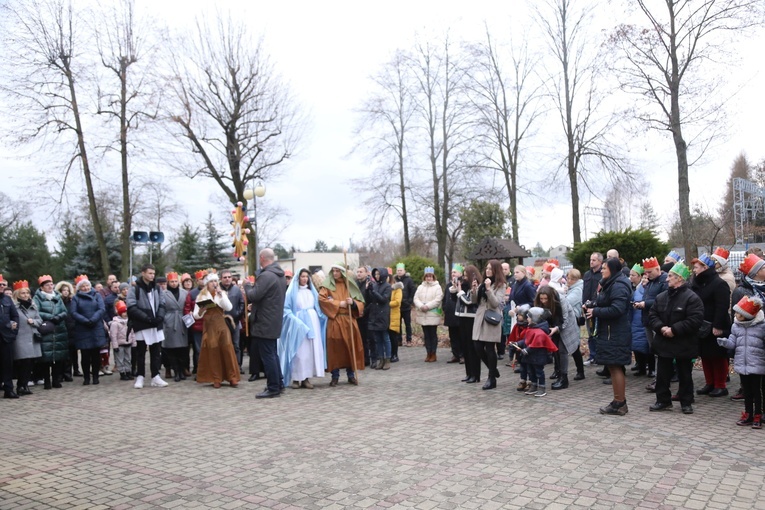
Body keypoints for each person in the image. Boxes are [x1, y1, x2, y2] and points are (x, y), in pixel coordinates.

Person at [648, 261, 704, 414]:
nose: (667, 279)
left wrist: (674, 330)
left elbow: (695, 320)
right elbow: (652, 315)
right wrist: (661, 328)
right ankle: (663, 401)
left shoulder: (692, 298)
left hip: (684, 344)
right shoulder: (661, 297)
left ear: (679, 279)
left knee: (685, 375)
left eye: (671, 276)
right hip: (664, 343)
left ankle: (686, 402)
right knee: (662, 375)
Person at [584, 257, 632, 415]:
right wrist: (593, 305)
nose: (602, 270)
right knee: (612, 365)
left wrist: (595, 311)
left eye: (604, 268)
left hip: (616, 333)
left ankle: (620, 403)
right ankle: (618, 401)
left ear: (612, 269)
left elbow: (617, 309)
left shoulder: (618, 285)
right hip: (610, 332)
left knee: (616, 365)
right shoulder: (611, 283)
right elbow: (606, 302)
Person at [718, 296, 765, 428]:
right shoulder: (736, 326)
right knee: (747, 391)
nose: (735, 315)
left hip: (757, 365)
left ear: (747, 315)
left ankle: (758, 415)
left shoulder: (761, 327)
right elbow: (733, 342)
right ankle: (748, 413)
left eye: (739, 313)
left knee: (757, 391)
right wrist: (725, 343)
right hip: (742, 364)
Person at [245, 248, 287, 398]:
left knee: (268, 355)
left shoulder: (266, 276)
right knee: (273, 354)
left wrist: (247, 286)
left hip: (264, 322)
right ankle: (279, 383)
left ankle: (273, 387)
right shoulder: (279, 275)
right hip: (273, 320)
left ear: (262, 258)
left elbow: (254, 295)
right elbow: (268, 298)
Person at [690, 253, 732, 397]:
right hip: (701, 326)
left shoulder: (719, 283)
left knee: (717, 356)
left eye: (696, 267)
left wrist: (718, 326)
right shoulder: (698, 283)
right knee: (705, 355)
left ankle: (720, 385)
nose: (694, 270)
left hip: (715, 326)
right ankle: (710, 383)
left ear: (705, 267)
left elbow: (722, 306)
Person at [279, 268, 327, 389]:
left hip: (312, 322)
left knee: (310, 351)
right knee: (299, 351)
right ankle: (296, 378)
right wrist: (294, 320)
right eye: (302, 276)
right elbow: (286, 308)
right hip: (298, 323)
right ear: (298, 278)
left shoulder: (312, 292)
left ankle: (306, 378)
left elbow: (319, 306)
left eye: (306, 277)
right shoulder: (292, 293)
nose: (305, 279)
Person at [318, 264, 365, 386]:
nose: (335, 273)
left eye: (337, 271)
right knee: (335, 349)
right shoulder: (327, 286)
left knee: (350, 347)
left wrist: (353, 303)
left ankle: (351, 375)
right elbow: (322, 300)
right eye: (333, 271)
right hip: (335, 321)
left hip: (349, 320)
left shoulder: (350, 285)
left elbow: (361, 302)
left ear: (342, 272)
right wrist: (340, 303)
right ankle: (335, 376)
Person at [194, 272, 240, 389]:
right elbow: (196, 315)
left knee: (227, 348)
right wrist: (201, 310)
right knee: (213, 350)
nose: (214, 283)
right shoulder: (202, 296)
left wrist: (221, 295)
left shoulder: (222, 293)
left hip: (221, 325)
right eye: (211, 282)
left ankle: (232, 377)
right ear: (207, 284)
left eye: (215, 281)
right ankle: (216, 378)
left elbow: (229, 307)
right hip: (209, 326)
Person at [127, 264, 168, 389]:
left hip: (155, 323)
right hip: (142, 323)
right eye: (149, 273)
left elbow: (162, 303)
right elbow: (131, 306)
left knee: (156, 351)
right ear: (143, 273)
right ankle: (140, 376)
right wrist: (146, 318)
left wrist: (160, 317)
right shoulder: (135, 288)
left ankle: (155, 376)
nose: (152, 275)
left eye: (153, 273)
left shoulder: (157, 288)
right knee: (141, 352)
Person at [471, 259, 506, 390]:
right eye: (487, 268)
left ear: (496, 270)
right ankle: (494, 369)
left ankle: (491, 378)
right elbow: (474, 301)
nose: (487, 270)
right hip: (480, 318)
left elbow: (496, 303)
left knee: (490, 349)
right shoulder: (483, 283)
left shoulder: (501, 285)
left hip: (491, 319)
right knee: (478, 347)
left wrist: (488, 289)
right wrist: (474, 290)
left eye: (490, 269)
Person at [509, 306, 558, 397]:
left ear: (534, 318)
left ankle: (542, 388)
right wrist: (517, 343)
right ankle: (534, 386)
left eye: (529, 317)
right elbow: (526, 340)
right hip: (530, 357)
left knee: (539, 372)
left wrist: (526, 350)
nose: (527, 319)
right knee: (531, 373)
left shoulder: (539, 332)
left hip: (538, 357)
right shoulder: (531, 329)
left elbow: (536, 345)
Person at [32, 274, 69, 389]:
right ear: (42, 287)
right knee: (46, 358)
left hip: (59, 329)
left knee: (58, 356)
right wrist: (50, 316)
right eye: (47, 285)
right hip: (46, 329)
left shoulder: (57, 297)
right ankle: (47, 380)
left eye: (51, 284)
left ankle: (56, 380)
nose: (50, 287)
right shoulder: (37, 298)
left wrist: (59, 317)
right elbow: (36, 311)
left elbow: (64, 311)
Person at [635, 257, 666, 388]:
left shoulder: (663, 282)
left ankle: (661, 380)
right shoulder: (650, 282)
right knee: (654, 350)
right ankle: (659, 379)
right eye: (645, 272)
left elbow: (663, 300)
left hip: (657, 321)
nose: (646, 275)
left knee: (660, 352)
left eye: (649, 272)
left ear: (658, 269)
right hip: (648, 320)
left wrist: (645, 304)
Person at [70, 275, 107, 386]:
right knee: (85, 355)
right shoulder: (76, 298)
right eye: (83, 286)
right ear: (79, 288)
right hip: (83, 328)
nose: (85, 288)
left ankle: (95, 376)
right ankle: (86, 377)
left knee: (96, 354)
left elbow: (101, 309)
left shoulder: (97, 295)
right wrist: (85, 320)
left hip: (96, 327)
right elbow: (73, 312)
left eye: (87, 285)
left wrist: (94, 319)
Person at [12, 280, 40, 396]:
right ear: (17, 294)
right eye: (23, 293)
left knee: (30, 363)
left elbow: (40, 320)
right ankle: (20, 386)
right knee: (23, 362)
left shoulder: (33, 305)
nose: (26, 295)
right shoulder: (14, 307)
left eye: (27, 293)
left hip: (32, 337)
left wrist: (33, 321)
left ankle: (25, 385)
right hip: (20, 338)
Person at [453, 265, 480, 383]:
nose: (463, 277)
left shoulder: (475, 286)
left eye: (465, 275)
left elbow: (469, 301)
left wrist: (459, 292)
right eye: (463, 274)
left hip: (471, 318)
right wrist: (455, 290)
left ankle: (475, 375)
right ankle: (468, 373)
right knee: (465, 347)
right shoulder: (464, 286)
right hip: (461, 317)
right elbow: (456, 299)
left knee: (472, 348)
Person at [161, 272, 189, 382]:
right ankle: (176, 371)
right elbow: (161, 307)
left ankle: (182, 370)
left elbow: (187, 306)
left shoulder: (184, 293)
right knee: (171, 349)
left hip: (182, 320)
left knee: (183, 349)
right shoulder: (163, 293)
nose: (174, 283)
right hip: (170, 320)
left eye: (175, 281)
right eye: (171, 281)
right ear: (168, 282)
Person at [365, 267, 393, 369]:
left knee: (385, 338)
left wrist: (374, 291)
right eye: (375, 274)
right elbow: (371, 299)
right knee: (378, 339)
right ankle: (381, 359)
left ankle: (387, 359)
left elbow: (383, 299)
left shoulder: (388, 287)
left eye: (378, 274)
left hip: (383, 315)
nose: (376, 276)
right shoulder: (375, 285)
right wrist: (368, 290)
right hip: (374, 314)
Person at [414, 267, 443, 362]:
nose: (428, 278)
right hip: (423, 314)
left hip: (432, 314)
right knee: (426, 335)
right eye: (427, 277)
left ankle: (433, 353)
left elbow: (438, 299)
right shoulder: (420, 287)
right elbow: (416, 298)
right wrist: (421, 306)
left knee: (432, 334)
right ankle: (428, 352)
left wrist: (428, 306)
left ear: (433, 277)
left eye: (430, 276)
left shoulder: (437, 287)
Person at [219, 269, 245, 373]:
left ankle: (237, 365)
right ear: (221, 279)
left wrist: (238, 314)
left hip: (235, 321)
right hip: (221, 322)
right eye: (225, 277)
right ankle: (223, 367)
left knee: (236, 345)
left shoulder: (236, 290)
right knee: (222, 345)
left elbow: (242, 303)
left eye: (229, 277)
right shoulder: (217, 290)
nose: (227, 279)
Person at [184, 270, 207, 375]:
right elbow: (187, 309)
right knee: (198, 350)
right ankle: (199, 370)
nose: (203, 281)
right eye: (201, 279)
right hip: (197, 326)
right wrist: (192, 320)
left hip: (210, 325)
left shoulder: (212, 291)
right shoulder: (192, 294)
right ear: (197, 281)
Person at [629, 264, 650, 376]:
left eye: (633, 275)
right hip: (635, 321)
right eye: (630, 275)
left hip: (641, 320)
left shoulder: (644, 289)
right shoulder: (633, 289)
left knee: (645, 345)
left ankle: (647, 367)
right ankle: (640, 365)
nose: (631, 277)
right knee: (637, 344)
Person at [582, 252, 603, 365]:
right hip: (586, 307)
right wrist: (583, 304)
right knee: (590, 333)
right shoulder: (587, 275)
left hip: (597, 308)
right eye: (590, 259)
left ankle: (599, 356)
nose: (591, 262)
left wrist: (594, 304)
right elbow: (584, 291)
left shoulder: (602, 275)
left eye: (594, 260)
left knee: (597, 333)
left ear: (600, 261)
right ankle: (592, 355)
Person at [55, 281, 78, 379]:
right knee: (62, 353)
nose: (65, 292)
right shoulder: (57, 301)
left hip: (71, 328)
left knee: (71, 352)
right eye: (64, 290)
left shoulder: (72, 301)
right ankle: (59, 373)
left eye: (67, 290)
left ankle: (68, 373)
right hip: (61, 328)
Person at [110, 300, 136, 381]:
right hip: (120, 344)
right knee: (120, 359)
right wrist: (115, 346)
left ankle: (128, 371)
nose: (125, 314)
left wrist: (134, 343)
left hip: (128, 343)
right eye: (123, 312)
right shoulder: (115, 323)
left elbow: (132, 333)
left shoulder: (129, 322)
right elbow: (113, 335)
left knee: (128, 359)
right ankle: (122, 373)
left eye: (126, 312)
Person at [443, 264, 463, 364]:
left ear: (460, 273)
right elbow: (445, 298)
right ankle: (455, 354)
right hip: (450, 314)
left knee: (461, 336)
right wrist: (444, 308)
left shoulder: (462, 284)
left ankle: (462, 355)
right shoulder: (448, 285)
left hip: (459, 314)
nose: (453, 274)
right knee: (453, 336)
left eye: (455, 272)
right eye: (452, 273)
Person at [395, 263, 416, 346]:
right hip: (397, 306)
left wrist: (409, 301)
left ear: (404, 271)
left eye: (401, 270)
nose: (399, 272)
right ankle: (399, 340)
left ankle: (409, 340)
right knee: (398, 324)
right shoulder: (395, 279)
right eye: (398, 270)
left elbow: (413, 289)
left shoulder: (409, 280)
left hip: (406, 306)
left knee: (407, 324)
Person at [354, 265, 372, 367]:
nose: (359, 274)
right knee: (358, 338)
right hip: (356, 315)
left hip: (366, 315)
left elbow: (371, 301)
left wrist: (364, 311)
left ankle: (366, 358)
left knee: (366, 339)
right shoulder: (355, 285)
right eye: (357, 272)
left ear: (366, 273)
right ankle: (359, 357)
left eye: (361, 272)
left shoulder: (369, 284)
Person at [389, 271, 403, 363]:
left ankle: (395, 354)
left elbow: (397, 302)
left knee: (393, 336)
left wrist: (387, 304)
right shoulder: (386, 288)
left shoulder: (397, 289)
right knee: (388, 337)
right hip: (386, 315)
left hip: (394, 314)